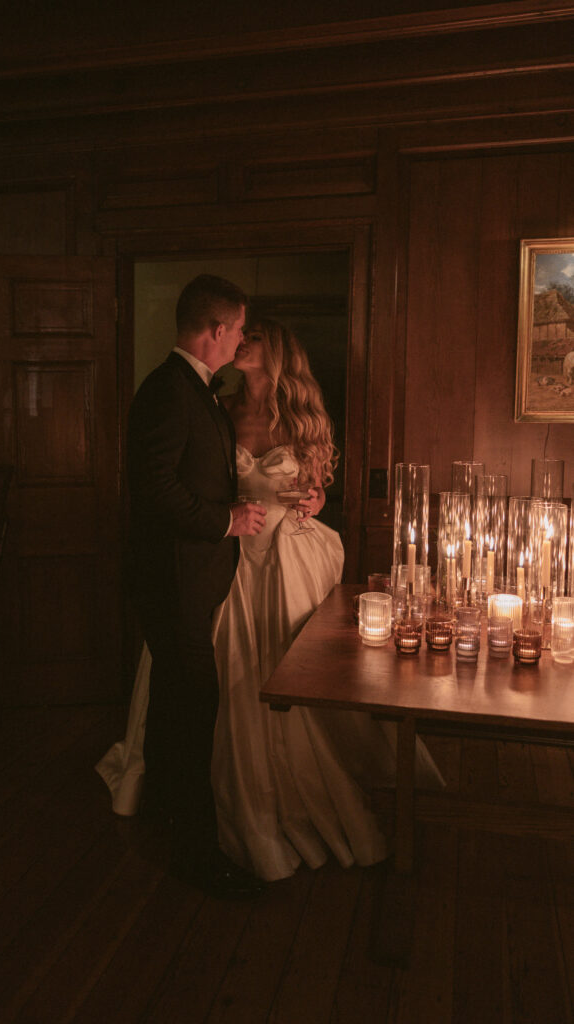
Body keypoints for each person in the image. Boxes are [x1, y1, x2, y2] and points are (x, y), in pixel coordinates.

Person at [98, 315, 443, 883]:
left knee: (290, 668)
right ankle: (203, 792)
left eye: (252, 337)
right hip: (226, 554)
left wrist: (314, 497)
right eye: (240, 333)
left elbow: (318, 485)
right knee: (214, 666)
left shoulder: (302, 416)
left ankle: (296, 784)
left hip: (285, 555)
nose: (241, 343)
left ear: (274, 351)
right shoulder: (218, 408)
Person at [120, 274, 267, 900]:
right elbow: (153, 488)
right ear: (215, 329)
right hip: (174, 583)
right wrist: (225, 520)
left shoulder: (197, 391)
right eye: (236, 329)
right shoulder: (167, 392)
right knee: (193, 714)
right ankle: (196, 856)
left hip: (191, 582)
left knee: (177, 711)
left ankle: (160, 812)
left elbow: (190, 475)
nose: (238, 341)